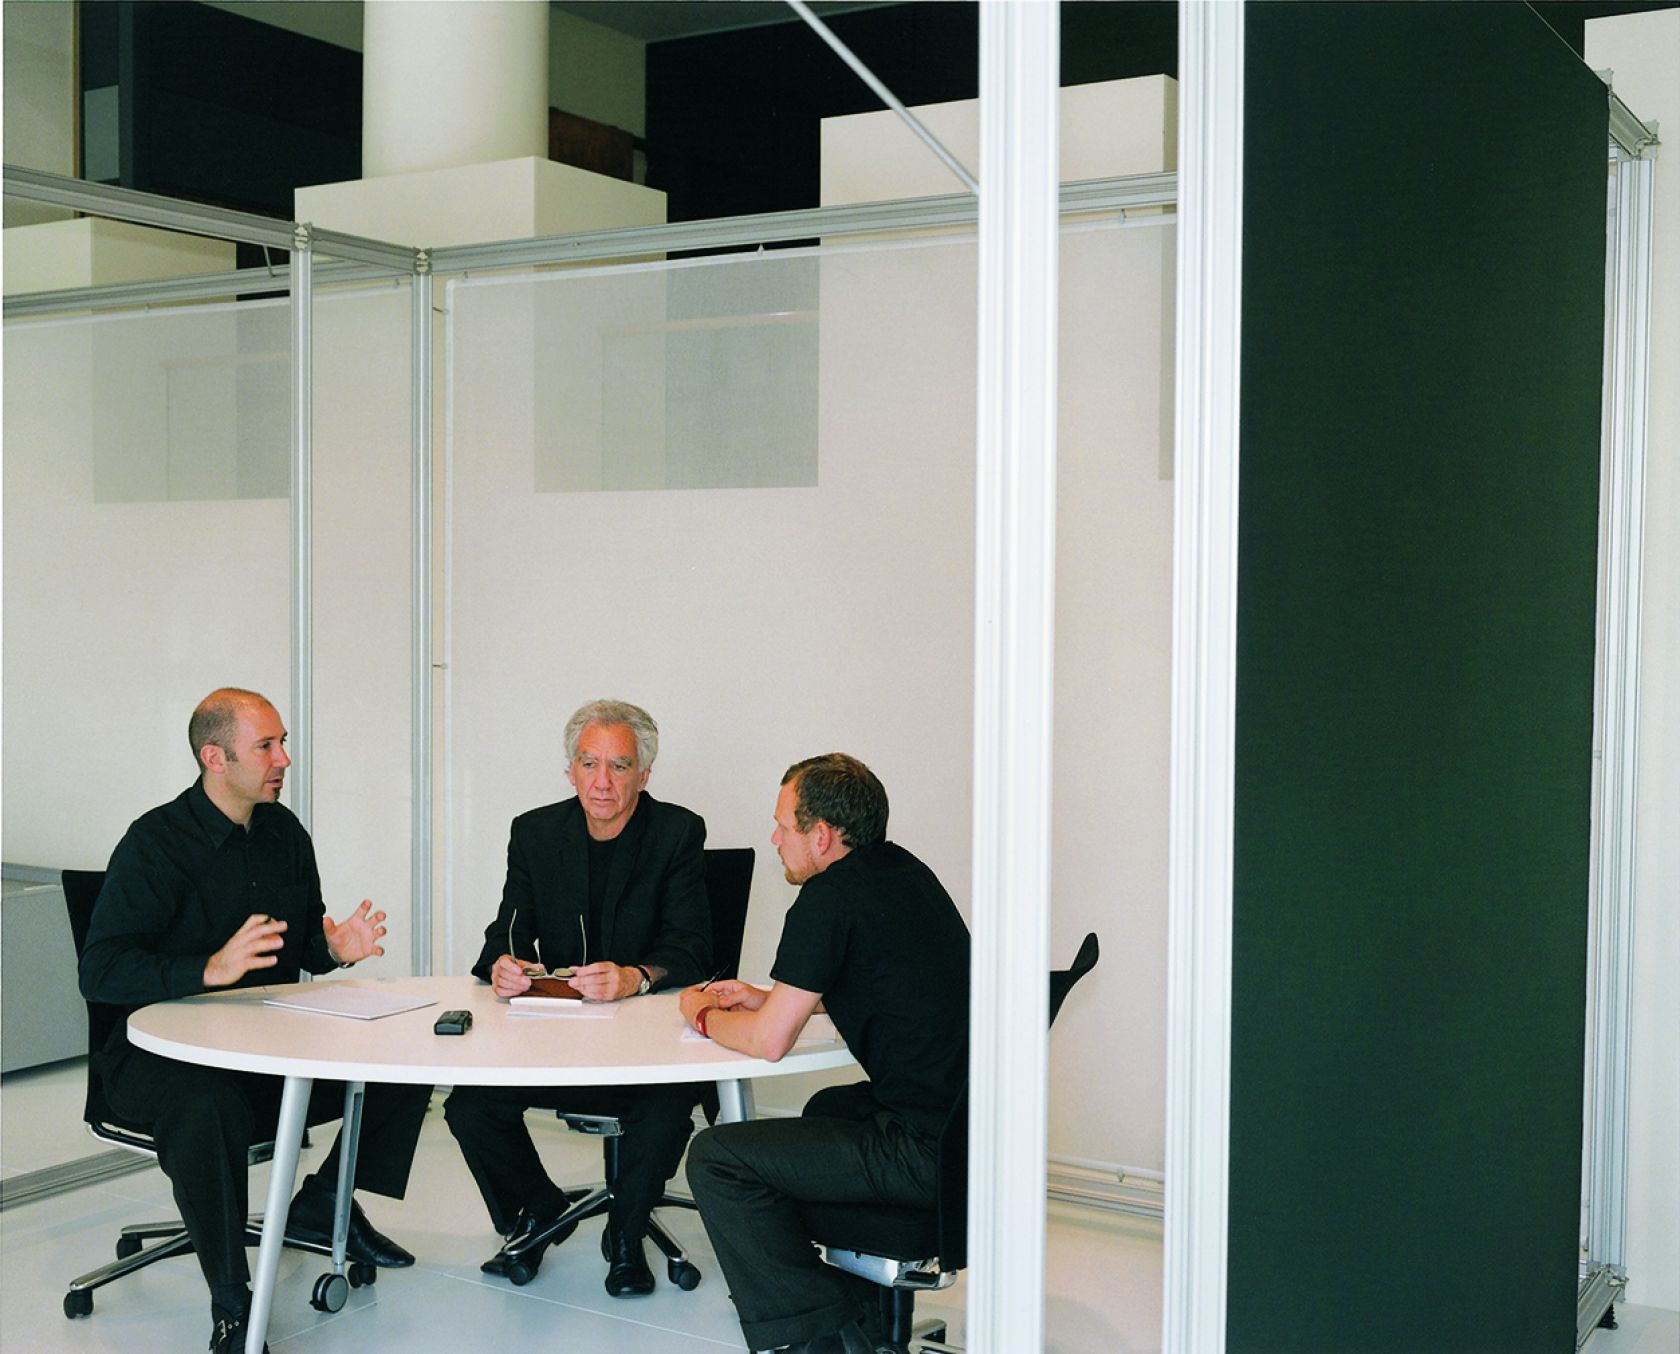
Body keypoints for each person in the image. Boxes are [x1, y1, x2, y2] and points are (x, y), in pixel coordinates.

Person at [78, 688, 430, 1354]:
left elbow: (301, 949)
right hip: (159, 1058)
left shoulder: (283, 833)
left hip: (266, 1043)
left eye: (282, 742)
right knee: (206, 1103)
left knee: (405, 1053)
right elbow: (99, 971)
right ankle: (235, 1304)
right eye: (266, 746)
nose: (283, 759)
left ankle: (322, 1203)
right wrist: (207, 969)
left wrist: (333, 949)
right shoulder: (155, 843)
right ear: (215, 758)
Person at [680, 753, 970, 1354]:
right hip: (968, 1132)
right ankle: (853, 1305)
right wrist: (771, 999)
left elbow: (768, 1042)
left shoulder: (827, 898)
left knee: (715, 1157)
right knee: (828, 1106)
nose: (774, 839)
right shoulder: (904, 873)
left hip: (923, 1151)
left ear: (821, 835)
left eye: (782, 825)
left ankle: (819, 1332)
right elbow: (886, 985)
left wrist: (702, 1015)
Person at [445, 698, 711, 1297]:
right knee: (469, 1107)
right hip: (557, 1040)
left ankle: (626, 1233)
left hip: (648, 1045)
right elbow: (502, 936)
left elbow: (693, 947)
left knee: (665, 1111)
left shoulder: (677, 832)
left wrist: (635, 976)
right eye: (589, 763)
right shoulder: (535, 832)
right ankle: (537, 1207)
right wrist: (505, 966)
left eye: (620, 766)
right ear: (570, 771)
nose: (602, 781)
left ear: (644, 775)